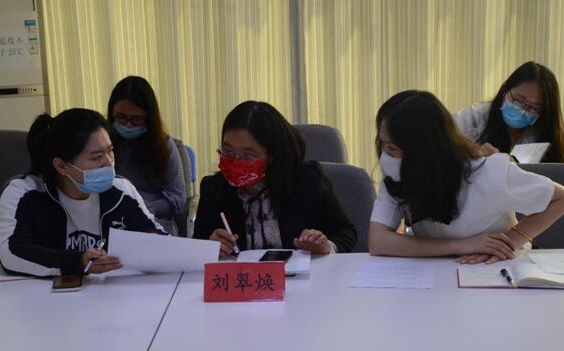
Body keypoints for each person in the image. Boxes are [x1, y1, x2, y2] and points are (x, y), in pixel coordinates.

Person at [369, 90, 564, 265]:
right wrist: (461, 245)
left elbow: (560, 198)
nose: (385, 156)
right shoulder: (397, 176)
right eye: (383, 144)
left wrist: (510, 241)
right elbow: (378, 241)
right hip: (436, 269)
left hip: (495, 267)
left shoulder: (488, 172)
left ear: (425, 151)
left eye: (393, 149)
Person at [0, 108, 165, 277]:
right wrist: (78, 262)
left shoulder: (121, 190)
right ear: (61, 166)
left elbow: (158, 238)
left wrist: (157, 241)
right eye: (97, 157)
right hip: (40, 291)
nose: (108, 163)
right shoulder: (24, 193)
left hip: (109, 289)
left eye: (110, 151)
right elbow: (10, 252)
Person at [193, 100, 356, 257]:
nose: (236, 162)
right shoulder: (213, 188)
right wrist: (210, 248)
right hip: (241, 276)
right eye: (228, 152)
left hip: (300, 275)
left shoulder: (307, 180)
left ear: (273, 155)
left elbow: (345, 232)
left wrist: (326, 246)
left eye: (248, 155)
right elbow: (197, 245)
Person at [107, 76, 186, 234]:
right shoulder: (103, 140)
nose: (128, 125)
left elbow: (178, 199)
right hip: (112, 217)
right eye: (121, 117)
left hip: (154, 221)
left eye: (137, 120)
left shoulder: (165, 145)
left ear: (149, 119)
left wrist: (142, 206)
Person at [453, 61, 564, 162]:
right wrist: (475, 156)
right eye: (519, 101)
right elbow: (445, 156)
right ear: (505, 89)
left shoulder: (545, 132)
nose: (523, 111)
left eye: (534, 107)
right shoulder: (471, 120)